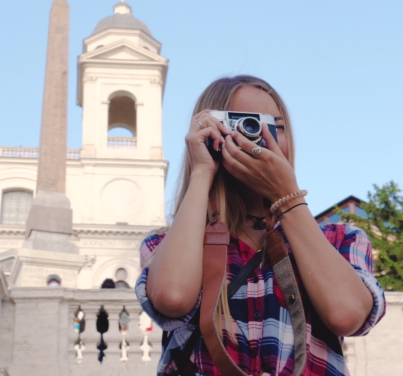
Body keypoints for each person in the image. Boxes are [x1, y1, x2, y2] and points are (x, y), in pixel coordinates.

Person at [135, 75, 386, 376]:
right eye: (245, 123)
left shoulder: (340, 238)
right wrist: (202, 170)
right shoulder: (171, 243)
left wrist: (286, 197)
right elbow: (172, 299)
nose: (260, 136)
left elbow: (346, 316)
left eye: (275, 126)